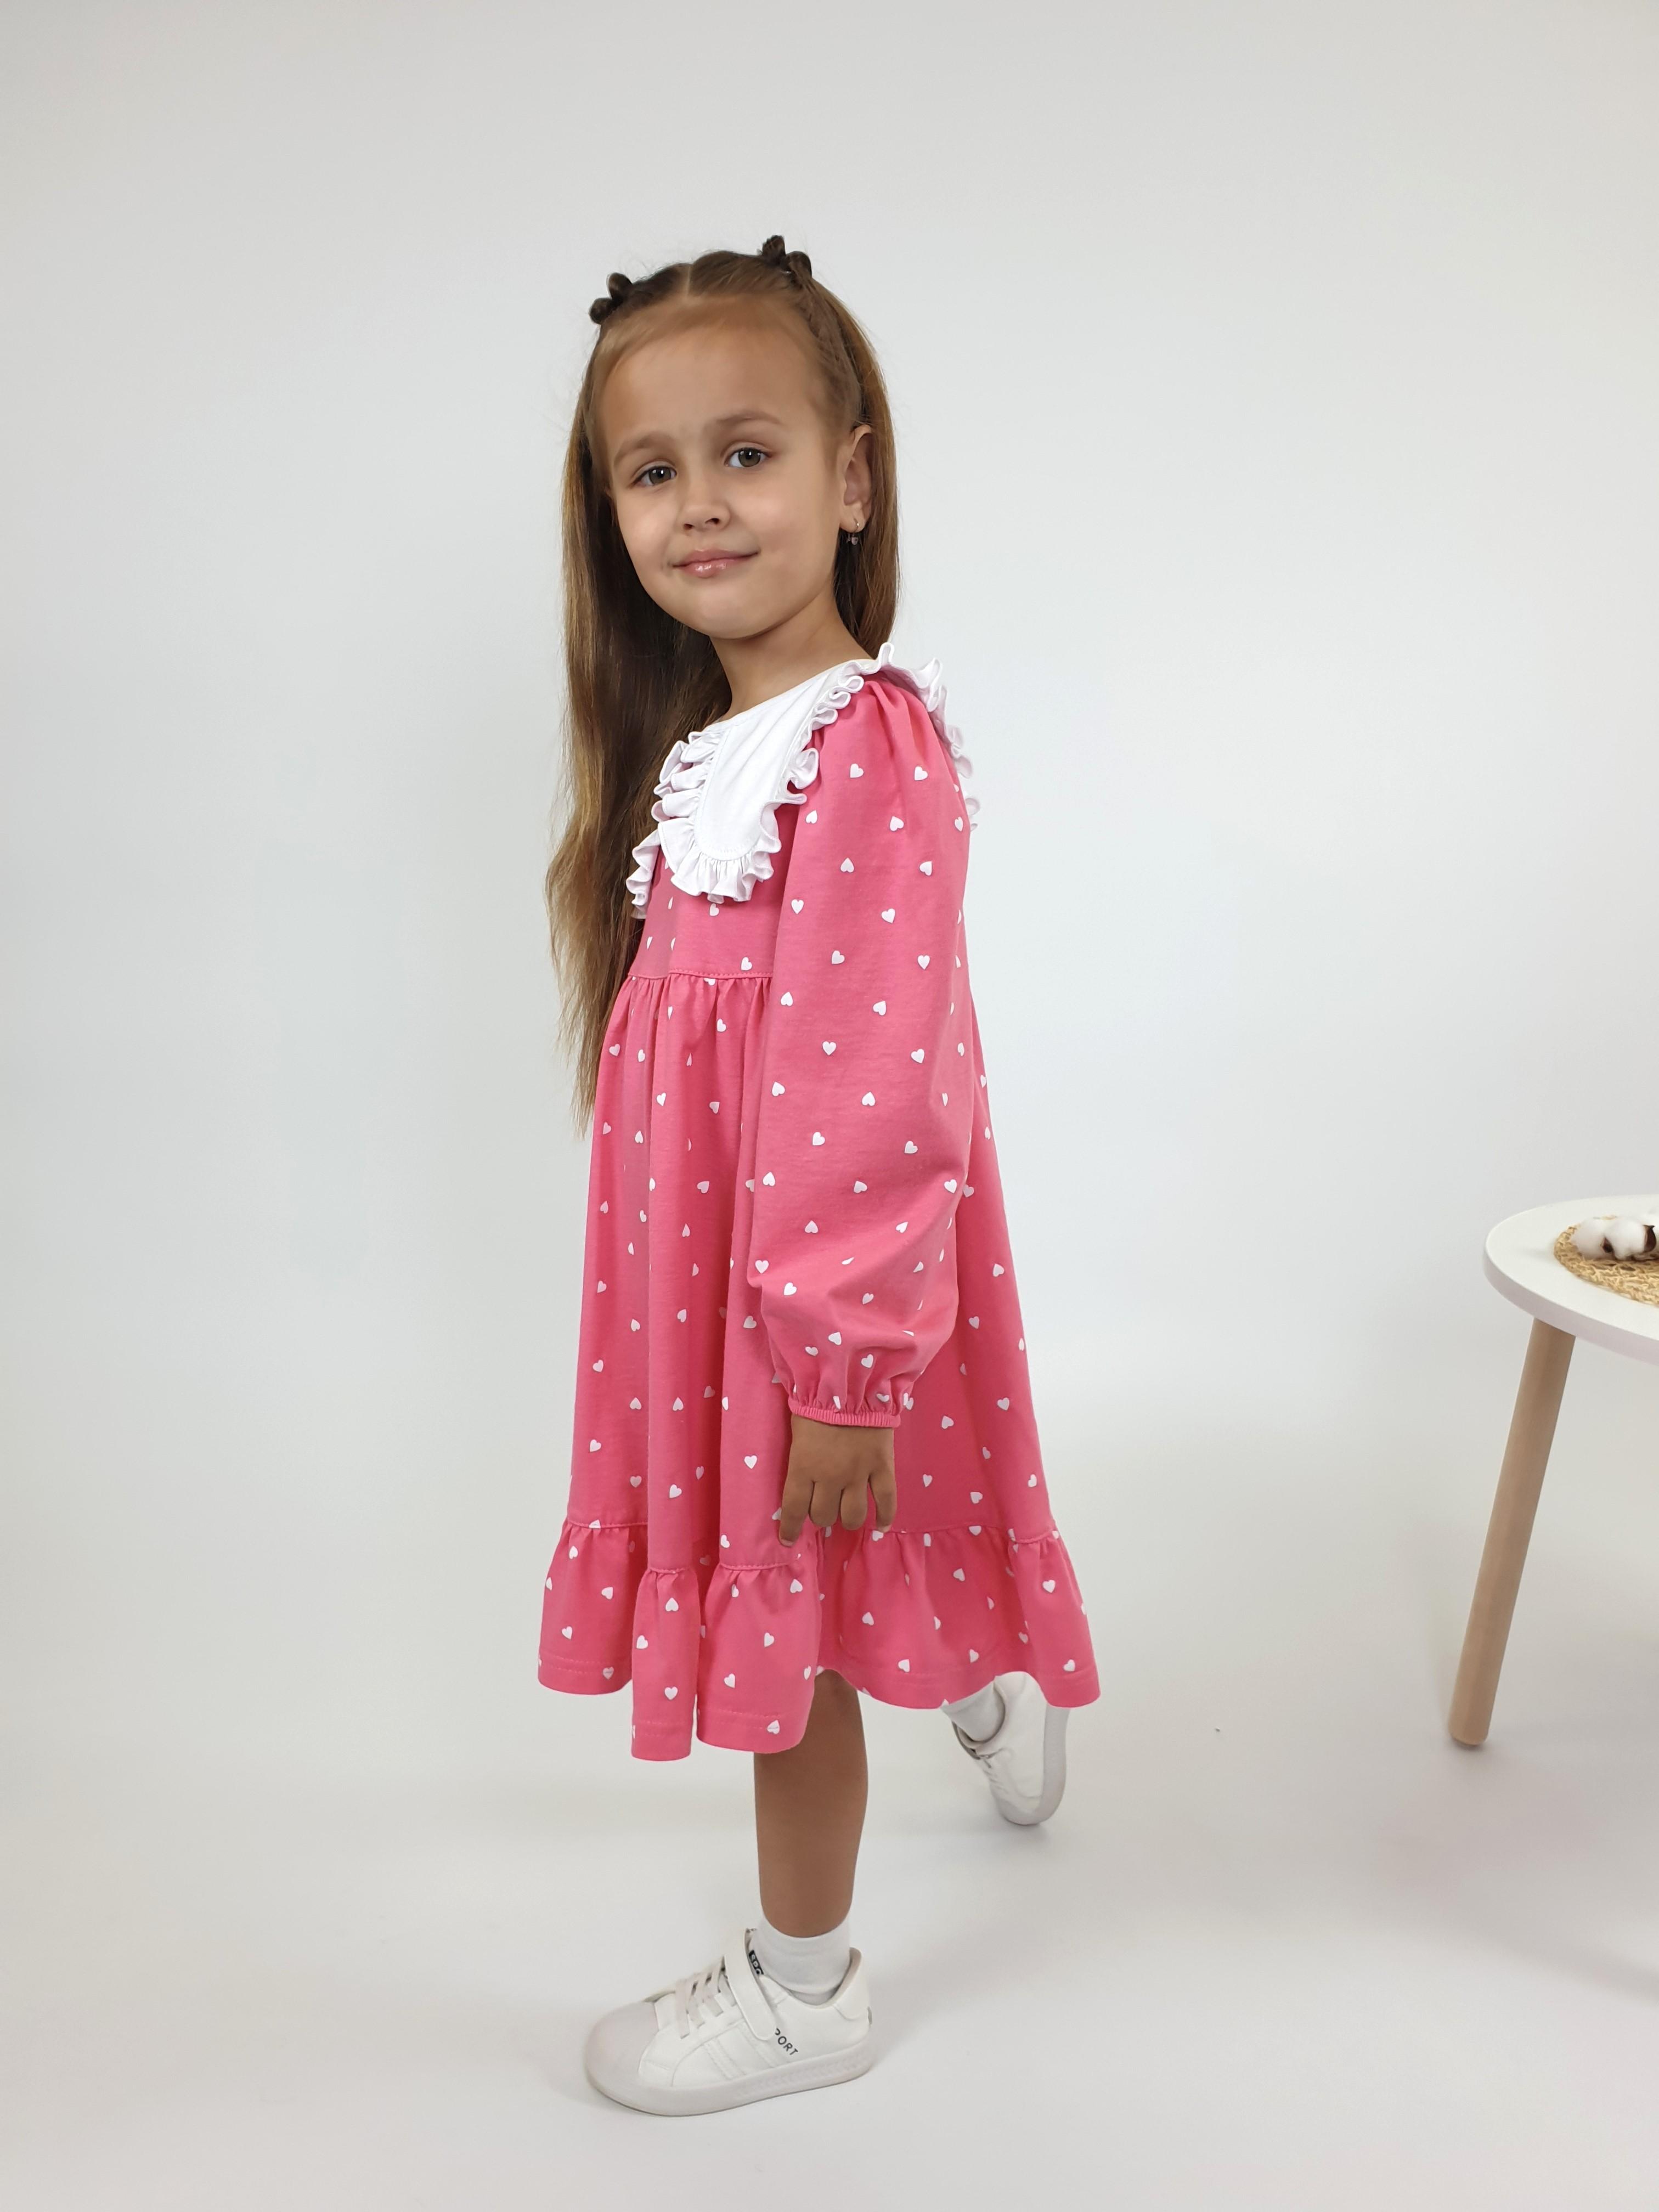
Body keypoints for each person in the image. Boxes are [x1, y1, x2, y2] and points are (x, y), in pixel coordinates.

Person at [538, 235, 1098, 2116]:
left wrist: (845, 1365)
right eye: (654, 469)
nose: (701, 504)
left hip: (819, 1307)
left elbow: (874, 1086)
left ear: (851, 480)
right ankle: (981, 1672)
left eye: (749, 454)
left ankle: (805, 1993)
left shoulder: (868, 747)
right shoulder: (715, 750)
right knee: (846, 1571)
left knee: (798, 1623)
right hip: (737, 1288)